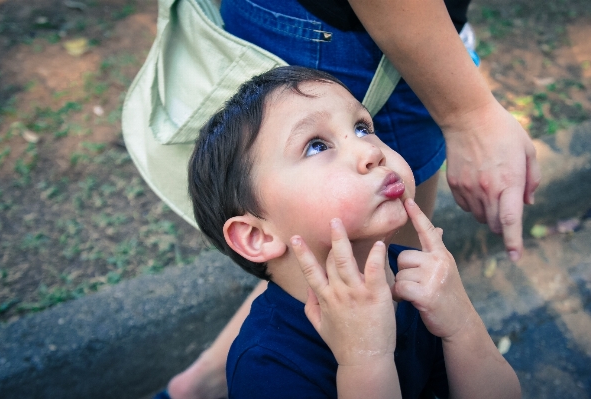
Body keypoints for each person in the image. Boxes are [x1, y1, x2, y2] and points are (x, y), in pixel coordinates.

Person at [166, 0, 540, 397]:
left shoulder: (417, 282)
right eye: (315, 146)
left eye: (363, 127)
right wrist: (366, 358)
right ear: (256, 236)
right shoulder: (267, 365)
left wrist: (462, 325)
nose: (371, 152)